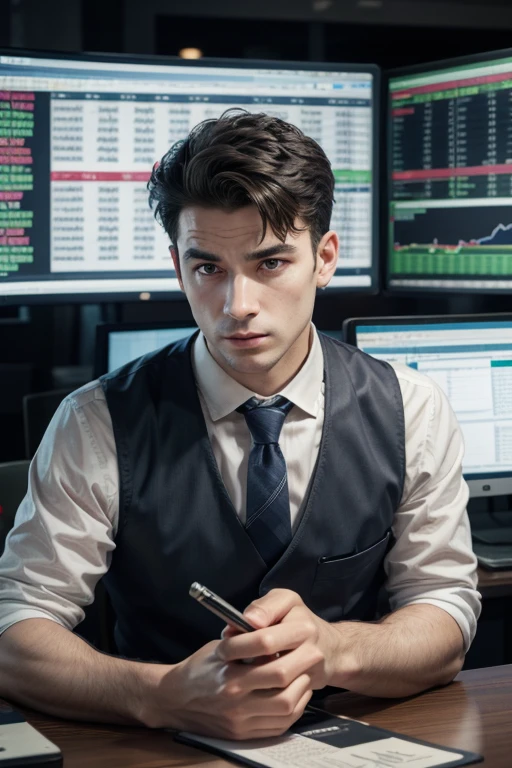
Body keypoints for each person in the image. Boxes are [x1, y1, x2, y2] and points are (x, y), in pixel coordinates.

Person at [0, 109, 480, 740]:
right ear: (178, 268)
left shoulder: (411, 407)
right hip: (160, 750)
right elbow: (14, 631)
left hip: (358, 741)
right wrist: (160, 696)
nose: (238, 306)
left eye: (271, 263)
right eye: (209, 269)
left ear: (324, 257)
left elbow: (445, 615)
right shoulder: (95, 421)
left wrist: (333, 648)